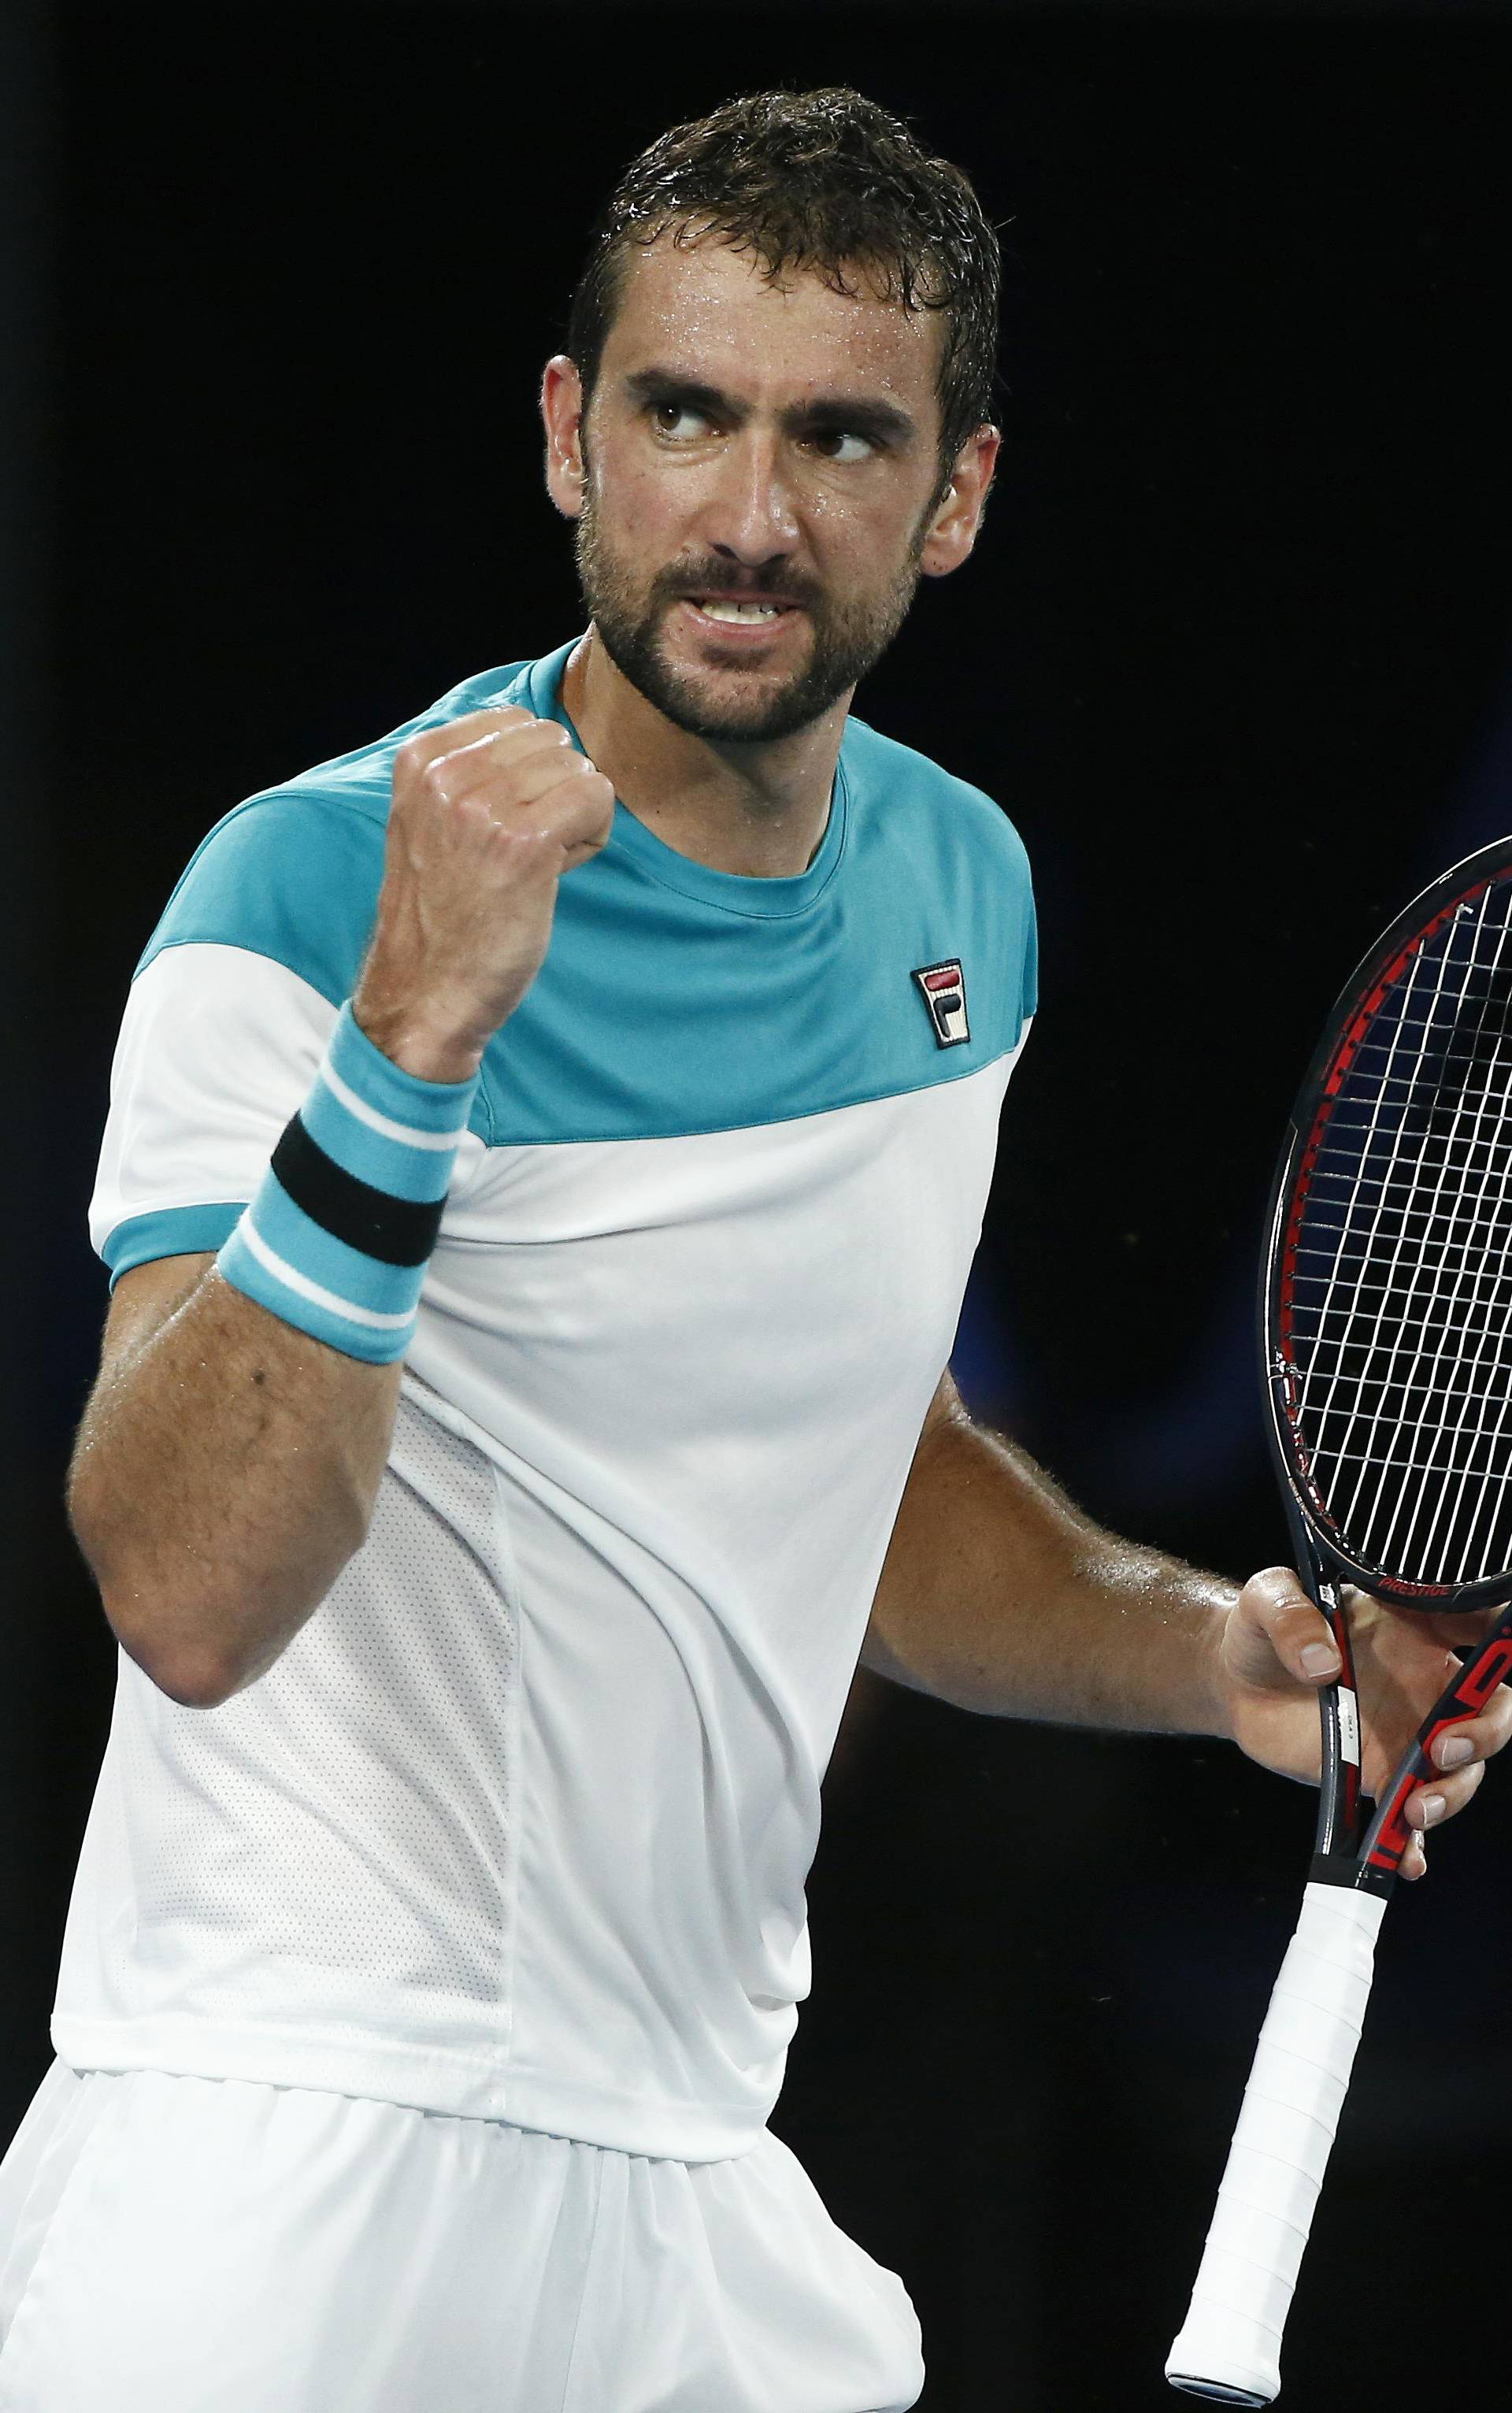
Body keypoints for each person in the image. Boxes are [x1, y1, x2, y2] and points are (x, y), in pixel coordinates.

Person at [0, 83, 1505, 2413]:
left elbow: (854, 1478)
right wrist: (406, 1047)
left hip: (697, 2184)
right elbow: (184, 1592)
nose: (748, 515)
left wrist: (1218, 1660)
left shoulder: (962, 896)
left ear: (960, 493)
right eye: (685, 415)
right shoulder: (308, 890)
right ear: (568, 441)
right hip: (274, 2167)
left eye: (840, 437)